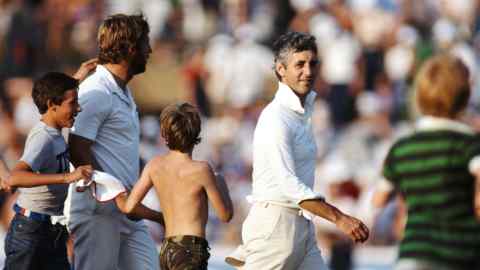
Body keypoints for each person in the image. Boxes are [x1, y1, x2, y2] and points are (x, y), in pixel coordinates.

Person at [234, 31, 369, 270]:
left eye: (312, 63)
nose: (308, 71)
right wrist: (340, 218)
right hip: (274, 226)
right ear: (280, 69)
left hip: (301, 226)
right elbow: (288, 185)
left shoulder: (300, 114)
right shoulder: (276, 117)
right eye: (299, 64)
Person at [67, 13, 159, 270]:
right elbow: (76, 148)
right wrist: (110, 190)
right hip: (98, 211)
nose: (149, 50)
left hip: (127, 211)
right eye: (145, 45)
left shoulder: (122, 90)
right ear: (130, 49)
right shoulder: (96, 90)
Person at [378, 54, 480, 270]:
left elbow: (379, 199)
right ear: (464, 97)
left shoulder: (402, 148)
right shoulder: (468, 145)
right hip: (460, 254)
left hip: (413, 254)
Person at [116, 102, 233, 270]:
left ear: (164, 135)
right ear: (196, 134)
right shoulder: (201, 170)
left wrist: (156, 216)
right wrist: (221, 184)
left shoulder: (154, 166)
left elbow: (129, 207)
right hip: (191, 249)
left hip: (167, 248)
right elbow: (225, 215)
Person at [3, 72, 93, 270]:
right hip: (30, 230)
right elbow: (15, 176)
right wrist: (67, 177)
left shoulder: (57, 131)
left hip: (50, 230)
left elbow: (55, 89)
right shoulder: (43, 137)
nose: (78, 108)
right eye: (73, 103)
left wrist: (80, 75)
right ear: (52, 105)